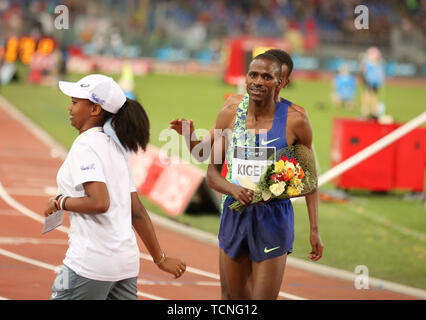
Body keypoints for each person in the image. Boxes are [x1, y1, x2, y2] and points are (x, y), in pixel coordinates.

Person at [170, 49, 322, 299]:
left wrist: (314, 228)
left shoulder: (296, 119)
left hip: (273, 219)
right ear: (246, 77)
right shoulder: (231, 110)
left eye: (269, 77)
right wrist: (188, 135)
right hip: (234, 213)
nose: (260, 82)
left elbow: (309, 177)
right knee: (231, 298)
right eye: (254, 75)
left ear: (282, 82)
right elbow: (204, 159)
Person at [44, 74, 186, 300]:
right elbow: (136, 210)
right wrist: (160, 258)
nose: (69, 108)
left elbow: (99, 202)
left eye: (75, 102)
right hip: (126, 264)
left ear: (95, 109)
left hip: (90, 263)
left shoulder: (86, 146)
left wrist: (59, 202)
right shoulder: (116, 147)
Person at [360, 47, 385, 119]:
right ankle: (365, 111)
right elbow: (364, 71)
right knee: (366, 96)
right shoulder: (367, 63)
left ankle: (374, 112)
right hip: (368, 82)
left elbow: (380, 74)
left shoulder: (379, 64)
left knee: (374, 97)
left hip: (375, 83)